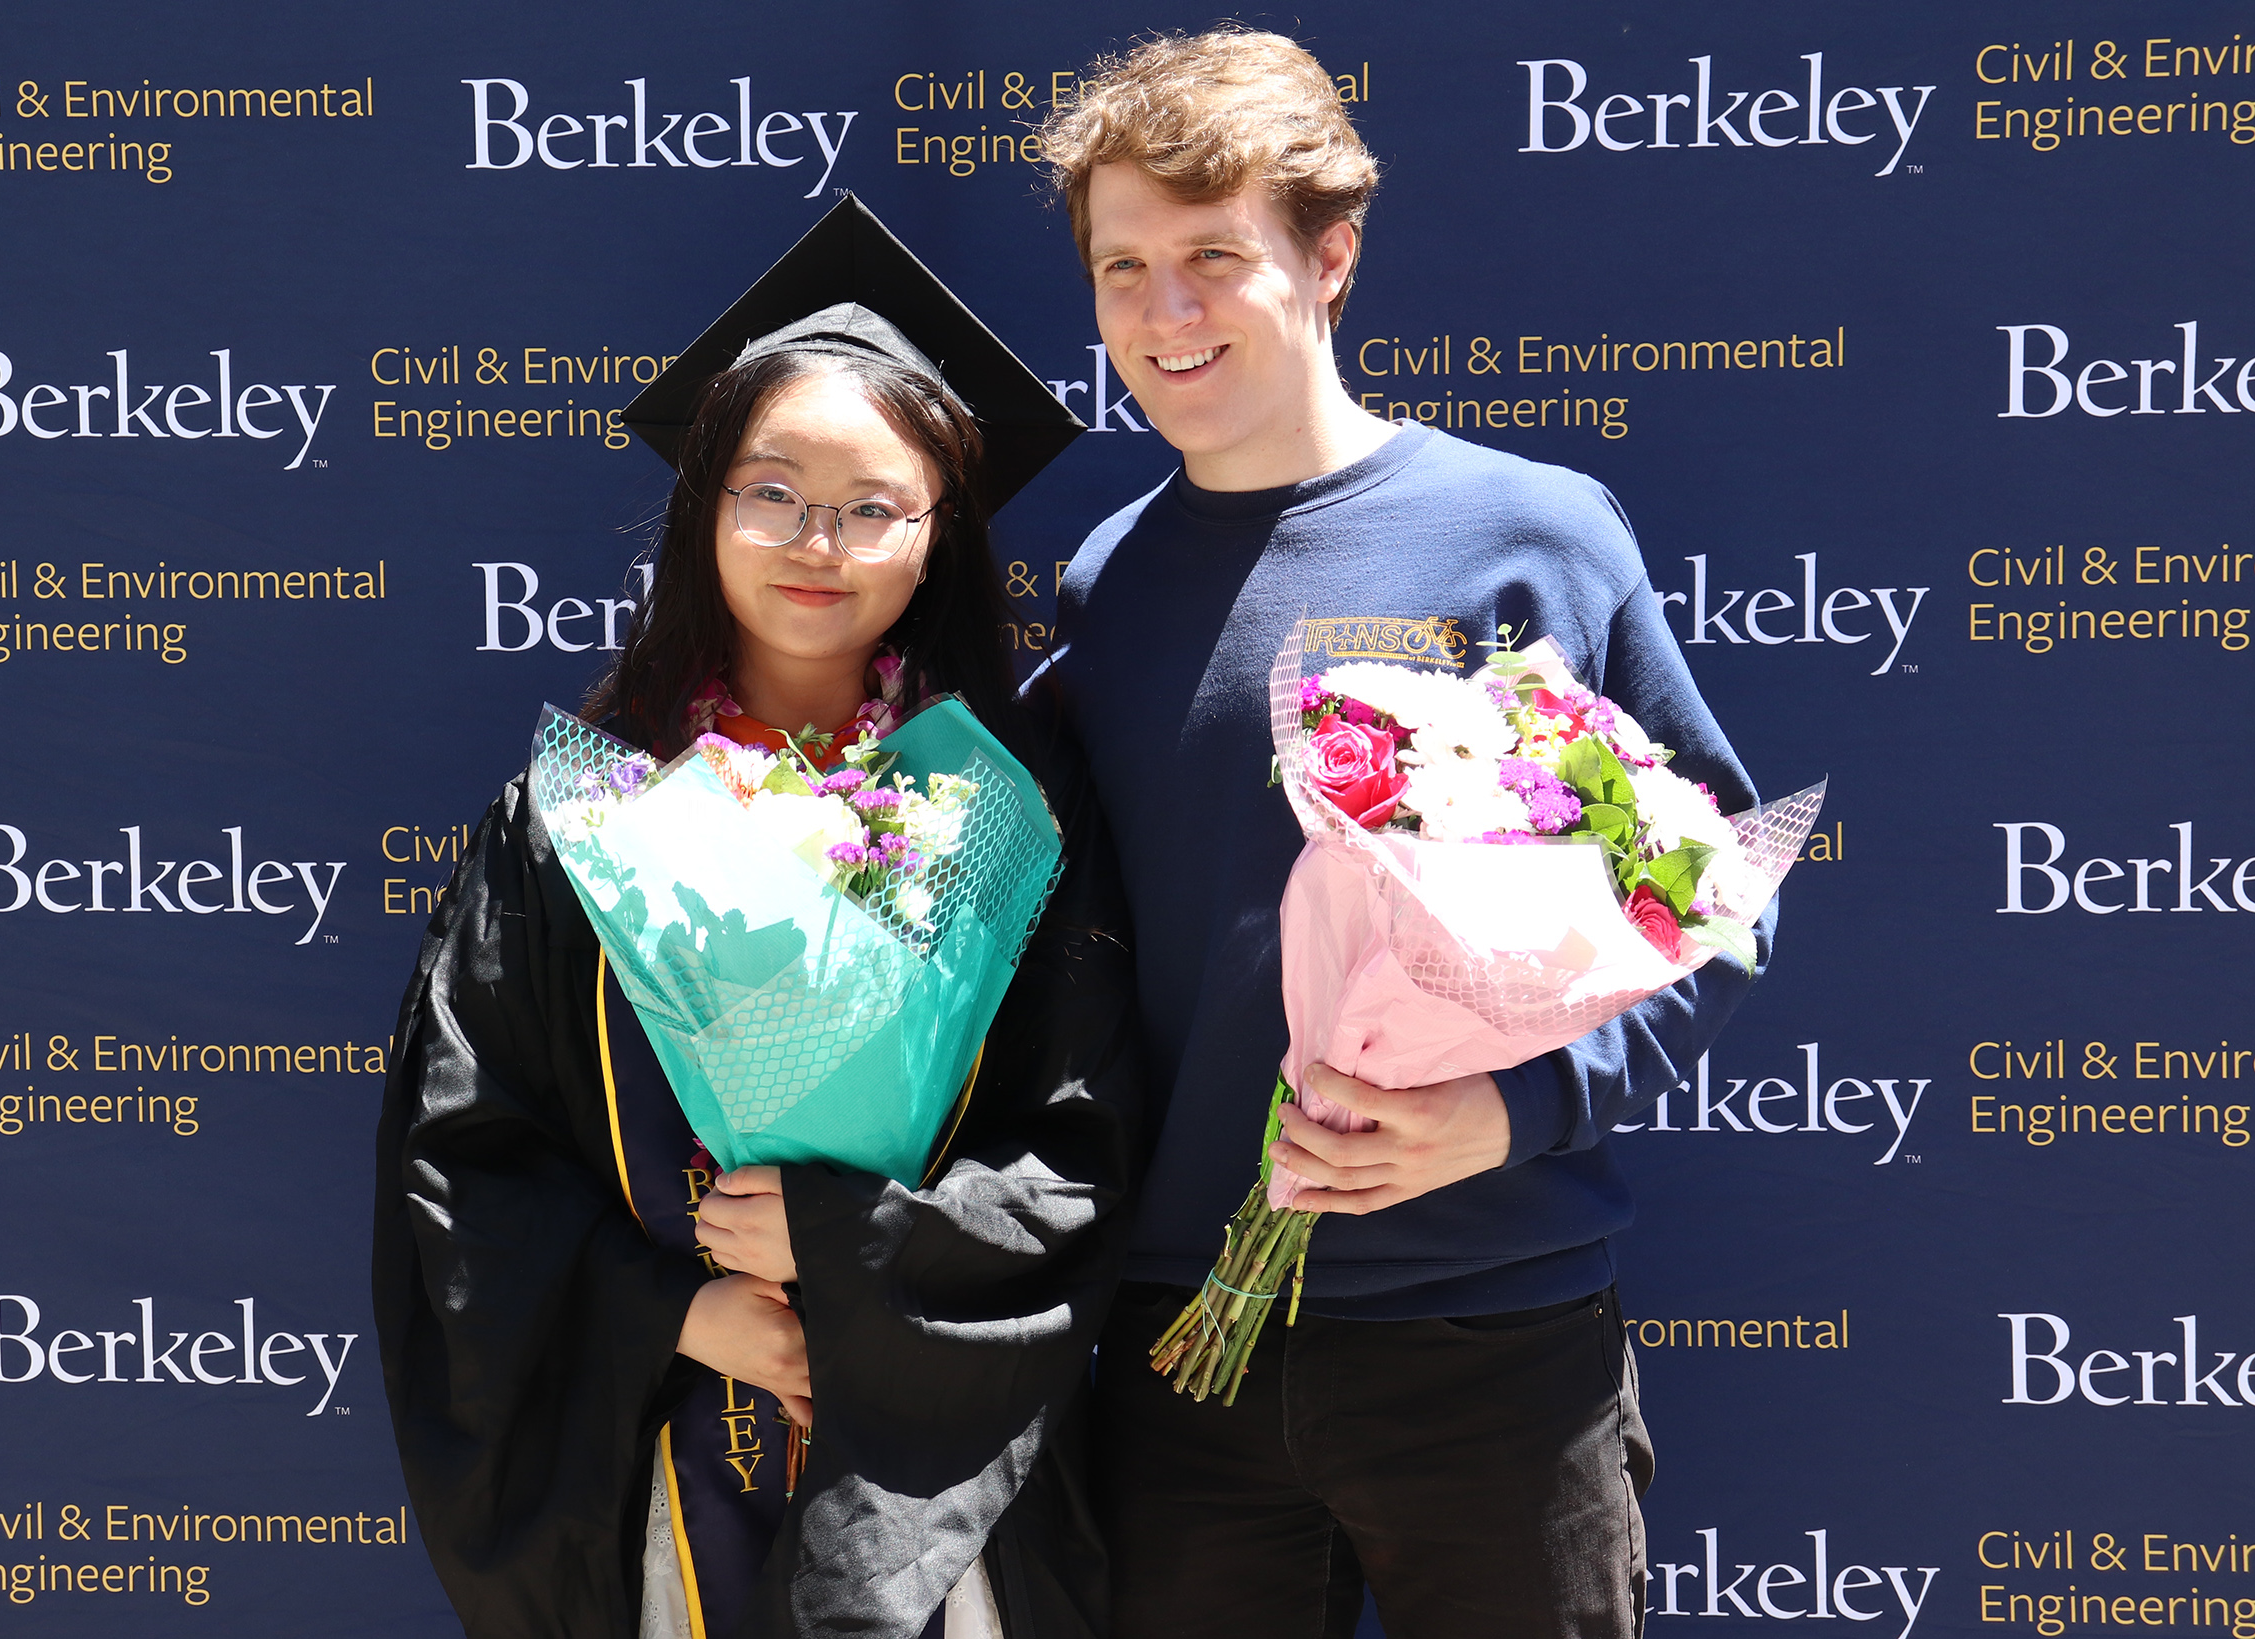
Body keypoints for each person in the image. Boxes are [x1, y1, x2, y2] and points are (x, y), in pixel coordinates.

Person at [1026, 31, 1777, 1638]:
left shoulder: (1534, 534)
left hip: (1493, 1352)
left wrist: (1510, 1112)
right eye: (1124, 268)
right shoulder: (1107, 584)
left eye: (1215, 256)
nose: (1166, 315)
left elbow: (1721, 897)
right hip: (1180, 1355)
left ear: (1332, 257)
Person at [373, 198, 1134, 1639]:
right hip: (662, 1452)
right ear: (704, 506)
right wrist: (673, 1309)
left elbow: (1081, 1147)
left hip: (939, 1497)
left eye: (870, 508)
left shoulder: (1010, 819)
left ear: (938, 536)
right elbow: (459, 1163)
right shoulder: (578, 821)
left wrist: (853, 1251)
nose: (815, 543)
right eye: (770, 491)